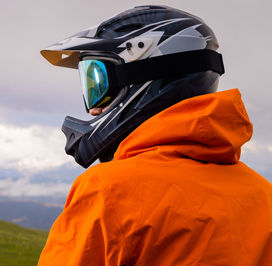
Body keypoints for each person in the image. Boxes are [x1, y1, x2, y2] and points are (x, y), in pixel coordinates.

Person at [38, 6, 272, 265]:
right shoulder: (264, 195)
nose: (94, 108)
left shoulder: (108, 192)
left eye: (98, 85)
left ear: (146, 79)